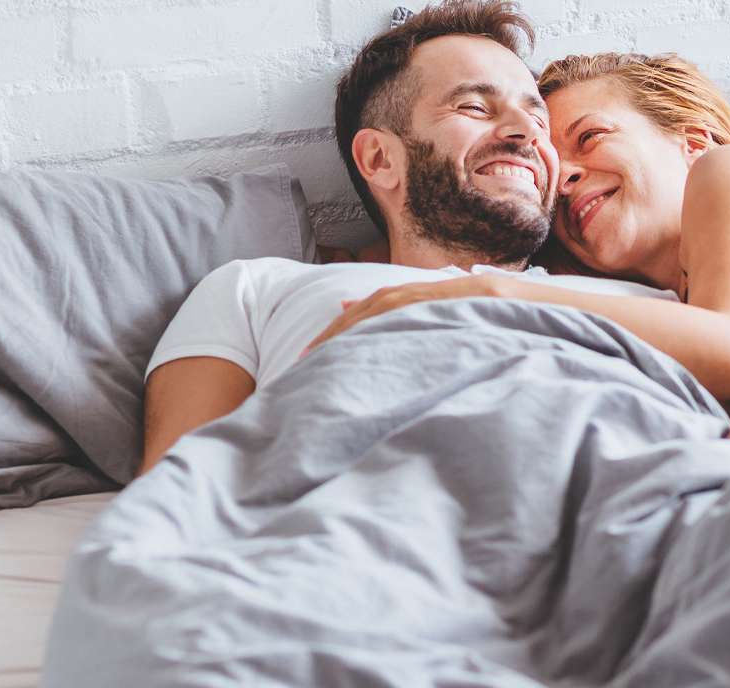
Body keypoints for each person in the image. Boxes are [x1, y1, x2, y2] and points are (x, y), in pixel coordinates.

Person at [136, 0, 668, 476]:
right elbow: (174, 497)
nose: (528, 132)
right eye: (475, 108)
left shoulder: (656, 306)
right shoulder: (256, 290)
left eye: (536, 116)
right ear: (380, 159)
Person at [304, 51, 730, 449]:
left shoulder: (728, 172)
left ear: (691, 140)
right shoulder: (663, 310)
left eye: (590, 137)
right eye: (556, 172)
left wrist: (482, 291)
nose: (565, 179)